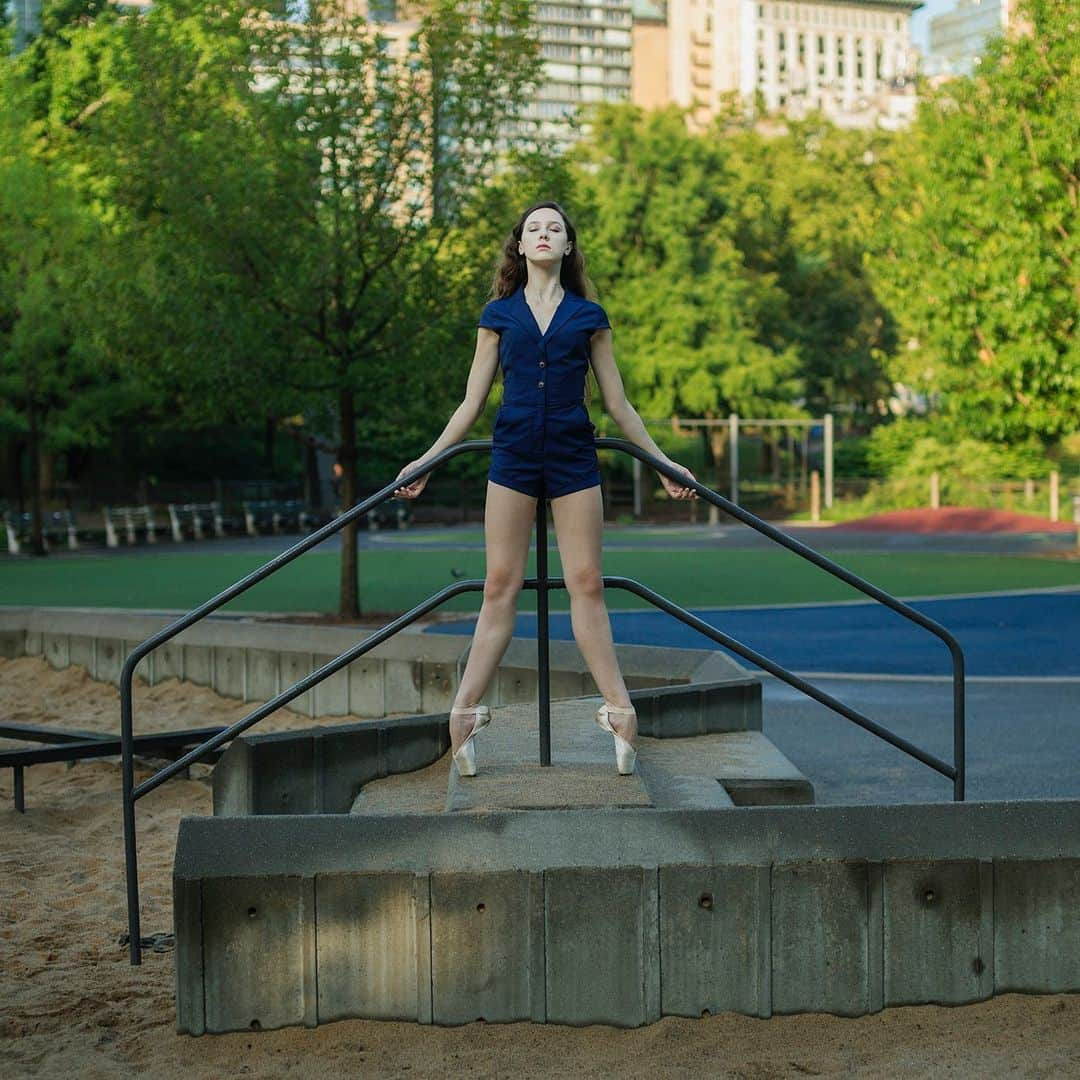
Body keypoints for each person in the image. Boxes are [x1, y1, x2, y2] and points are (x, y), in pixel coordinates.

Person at [394, 200, 698, 778]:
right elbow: (471, 402)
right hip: (511, 458)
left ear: (567, 246)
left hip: (572, 458)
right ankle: (462, 716)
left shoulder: (589, 317)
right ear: (519, 245)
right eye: (533, 228)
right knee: (500, 586)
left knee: (586, 582)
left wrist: (663, 464)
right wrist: (426, 461)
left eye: (553, 228)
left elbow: (618, 403)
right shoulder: (497, 315)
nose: (543, 234)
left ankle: (620, 712)